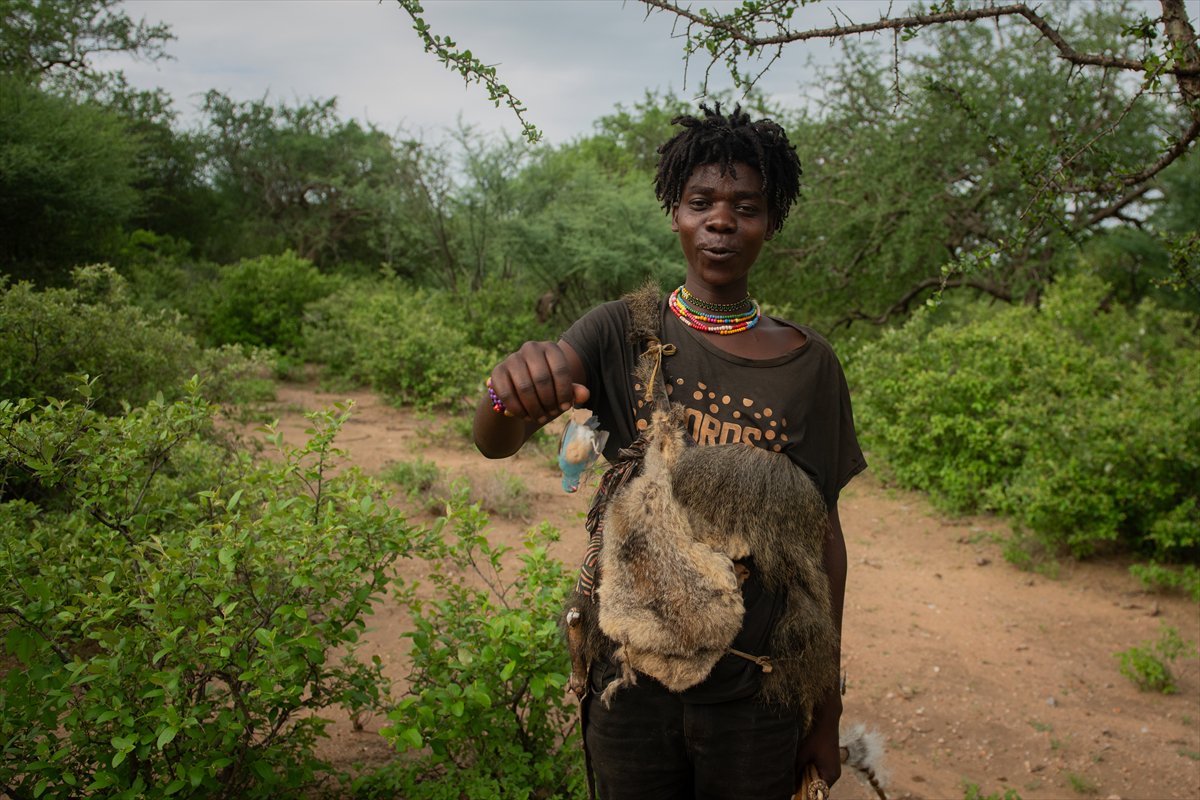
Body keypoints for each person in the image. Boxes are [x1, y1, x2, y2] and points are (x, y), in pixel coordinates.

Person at [473, 104, 865, 800]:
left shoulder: (810, 366)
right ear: (675, 213)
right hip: (630, 680)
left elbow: (823, 540)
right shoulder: (621, 333)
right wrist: (508, 392)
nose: (722, 221)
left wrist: (825, 707)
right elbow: (495, 442)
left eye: (746, 206)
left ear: (771, 221)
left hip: (759, 691)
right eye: (701, 202)